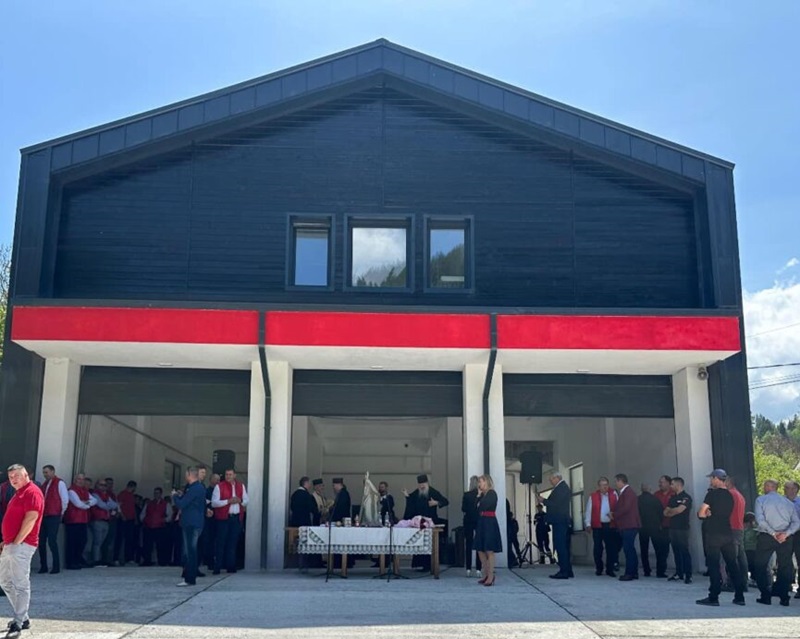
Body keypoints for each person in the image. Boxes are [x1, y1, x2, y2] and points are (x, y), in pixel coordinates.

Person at [0, 464, 44, 635]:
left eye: (17, 476)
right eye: (11, 477)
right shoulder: (18, 493)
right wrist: (7, 542)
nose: (13, 479)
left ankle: (18, 623)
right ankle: (23, 617)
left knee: (20, 585)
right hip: (11, 544)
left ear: (26, 475)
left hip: (22, 545)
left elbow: (31, 518)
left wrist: (17, 542)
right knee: (4, 581)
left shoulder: (32, 492)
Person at [695, 468, 745, 606]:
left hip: (714, 533)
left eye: (711, 478)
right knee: (732, 564)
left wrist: (706, 514)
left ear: (716, 479)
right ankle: (740, 596)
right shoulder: (730, 495)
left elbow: (701, 513)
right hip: (727, 533)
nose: (710, 481)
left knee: (714, 565)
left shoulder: (712, 494)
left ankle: (714, 596)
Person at [753, 478, 800, 606]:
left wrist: (773, 533)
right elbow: (797, 522)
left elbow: (760, 520)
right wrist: (787, 533)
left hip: (767, 536)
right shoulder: (788, 503)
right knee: (785, 566)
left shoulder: (761, 500)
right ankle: (784, 597)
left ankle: (765, 595)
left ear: (767, 487)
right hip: (785, 537)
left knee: (760, 565)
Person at [403, 475, 449, 571]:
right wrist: (407, 496)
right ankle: (421, 565)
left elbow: (445, 501)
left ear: (427, 483)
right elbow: (411, 501)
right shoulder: (417, 492)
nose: (422, 486)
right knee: (419, 543)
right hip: (419, 523)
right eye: (420, 484)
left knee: (429, 544)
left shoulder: (433, 492)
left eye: (423, 484)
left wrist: (436, 503)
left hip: (430, 522)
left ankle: (429, 565)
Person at [172, 467, 205, 587]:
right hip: (194, 522)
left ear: (190, 474)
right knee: (190, 550)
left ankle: (190, 578)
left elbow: (182, 504)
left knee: (190, 551)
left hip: (191, 523)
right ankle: (189, 576)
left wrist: (175, 496)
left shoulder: (195, 488)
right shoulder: (197, 488)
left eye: (186, 474)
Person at [211, 469, 249, 574]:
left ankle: (230, 566)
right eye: (227, 474)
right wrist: (228, 501)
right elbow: (214, 503)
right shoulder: (219, 486)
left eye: (230, 474)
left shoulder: (241, 486)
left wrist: (240, 501)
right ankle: (217, 566)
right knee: (220, 543)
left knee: (232, 543)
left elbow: (246, 500)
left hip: (236, 518)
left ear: (234, 475)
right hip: (223, 518)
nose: (228, 476)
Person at [539, 472, 572, 579]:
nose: (550, 481)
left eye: (551, 479)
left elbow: (556, 504)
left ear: (557, 478)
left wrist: (544, 501)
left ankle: (564, 571)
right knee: (563, 546)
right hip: (560, 521)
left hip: (560, 521)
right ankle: (568, 570)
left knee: (560, 545)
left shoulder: (562, 488)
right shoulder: (561, 488)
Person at [37, 465, 68, 575]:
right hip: (44, 516)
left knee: (52, 541)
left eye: (46, 472)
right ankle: (43, 566)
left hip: (54, 515)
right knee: (41, 541)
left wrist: (61, 513)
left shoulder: (60, 483)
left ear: (53, 471)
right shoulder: (45, 484)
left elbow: (64, 499)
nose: (45, 474)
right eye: (44, 472)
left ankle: (56, 566)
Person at [585, 477, 618, 577]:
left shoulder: (614, 494)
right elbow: (588, 511)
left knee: (611, 548)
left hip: (610, 525)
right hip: (597, 525)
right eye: (602, 485)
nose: (605, 487)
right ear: (599, 486)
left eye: (606, 485)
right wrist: (588, 524)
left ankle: (610, 569)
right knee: (598, 548)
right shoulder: (593, 496)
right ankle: (599, 568)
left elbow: (619, 507)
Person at [64, 473, 96, 570]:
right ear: (75, 480)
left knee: (82, 541)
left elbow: (95, 500)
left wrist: (85, 503)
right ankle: (71, 562)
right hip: (73, 520)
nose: (81, 481)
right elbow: (78, 504)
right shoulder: (71, 490)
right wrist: (87, 504)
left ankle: (78, 560)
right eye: (79, 479)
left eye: (83, 479)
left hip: (83, 520)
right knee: (72, 542)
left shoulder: (85, 491)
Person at [611, 474, 640, 581]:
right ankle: (634, 572)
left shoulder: (628, 492)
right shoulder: (626, 492)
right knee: (630, 549)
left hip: (629, 524)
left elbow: (626, 508)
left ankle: (629, 573)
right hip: (628, 524)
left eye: (616, 481)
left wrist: (614, 514)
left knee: (628, 549)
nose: (615, 484)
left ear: (620, 481)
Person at [664, 476, 693, 583]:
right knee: (676, 551)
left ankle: (688, 575)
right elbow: (665, 512)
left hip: (682, 528)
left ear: (678, 484)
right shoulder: (672, 498)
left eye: (672, 484)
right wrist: (673, 511)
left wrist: (672, 511)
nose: (671, 486)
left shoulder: (686, 497)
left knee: (684, 551)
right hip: (673, 528)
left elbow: (680, 510)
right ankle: (679, 573)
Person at [474, 474, 501, 586]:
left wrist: (479, 502)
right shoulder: (482, 495)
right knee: (480, 549)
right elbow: (475, 507)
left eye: (481, 482)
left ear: (486, 482)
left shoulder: (492, 494)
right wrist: (478, 497)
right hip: (481, 522)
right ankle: (485, 574)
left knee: (489, 550)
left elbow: (482, 506)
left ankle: (490, 575)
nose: (479, 484)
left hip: (489, 522)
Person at [723, 476, 748, 593]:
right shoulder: (739, 495)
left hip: (731, 528)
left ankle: (733, 583)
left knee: (732, 557)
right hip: (739, 528)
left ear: (728, 483)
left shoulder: (730, 494)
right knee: (741, 557)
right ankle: (743, 583)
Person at [88, 479, 117, 567]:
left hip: (106, 521)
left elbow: (115, 505)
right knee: (97, 542)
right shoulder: (94, 494)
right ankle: (96, 561)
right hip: (97, 521)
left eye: (105, 485)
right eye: (101, 485)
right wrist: (108, 505)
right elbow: (101, 505)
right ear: (96, 485)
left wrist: (107, 504)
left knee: (101, 542)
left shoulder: (107, 495)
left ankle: (99, 560)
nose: (103, 487)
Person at [140, 487, 172, 567]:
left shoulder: (166, 504)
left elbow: (170, 515)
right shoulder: (149, 503)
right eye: (155, 493)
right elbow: (143, 514)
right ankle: (147, 560)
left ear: (161, 494)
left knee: (161, 545)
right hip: (149, 527)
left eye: (157, 493)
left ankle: (162, 561)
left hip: (160, 527)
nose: (156, 495)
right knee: (147, 545)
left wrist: (164, 520)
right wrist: (144, 520)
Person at [638, 483, 663, 578]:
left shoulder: (637, 500)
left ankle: (646, 570)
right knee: (658, 549)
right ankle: (660, 571)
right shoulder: (655, 499)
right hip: (654, 527)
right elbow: (661, 512)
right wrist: (659, 522)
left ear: (641, 489)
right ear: (650, 489)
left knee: (644, 550)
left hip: (642, 527)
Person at [651, 475, 673, 578]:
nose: (660, 484)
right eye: (659, 482)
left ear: (668, 483)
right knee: (659, 549)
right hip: (658, 526)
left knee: (667, 549)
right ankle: (660, 571)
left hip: (670, 526)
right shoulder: (656, 495)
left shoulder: (673, 494)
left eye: (662, 482)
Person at [783, 480, 800, 598]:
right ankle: (785, 584)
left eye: (792, 488)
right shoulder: (781, 502)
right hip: (785, 533)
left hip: (798, 534)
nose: (789, 490)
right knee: (784, 560)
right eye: (787, 488)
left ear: (796, 490)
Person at [461, 476, 482, 577]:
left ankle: (468, 569)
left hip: (468, 520)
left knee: (468, 544)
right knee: (479, 545)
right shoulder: (481, 495)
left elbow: (463, 509)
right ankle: (478, 569)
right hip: (478, 520)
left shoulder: (466, 495)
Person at [114, 481, 138, 566]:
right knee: (119, 539)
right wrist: (122, 515)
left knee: (129, 540)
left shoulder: (131, 495)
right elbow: (118, 506)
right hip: (123, 519)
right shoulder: (122, 494)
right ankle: (116, 558)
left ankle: (128, 558)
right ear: (133, 487)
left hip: (130, 519)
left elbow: (132, 508)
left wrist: (135, 518)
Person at [203, 473, 220, 569]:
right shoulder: (206, 491)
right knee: (209, 540)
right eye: (216, 479)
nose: (218, 481)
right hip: (209, 520)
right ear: (211, 480)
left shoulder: (220, 491)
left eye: (219, 479)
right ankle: (209, 561)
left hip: (219, 519)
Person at [743, 512, 758, 586]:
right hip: (747, 549)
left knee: (752, 565)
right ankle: (751, 579)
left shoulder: (755, 529)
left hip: (752, 549)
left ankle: (753, 579)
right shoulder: (745, 529)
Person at [506, 499, 522, 568]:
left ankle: (519, 559)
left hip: (512, 536)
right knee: (512, 548)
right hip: (512, 536)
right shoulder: (512, 522)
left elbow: (516, 529)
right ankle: (515, 561)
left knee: (515, 548)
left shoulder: (513, 521)